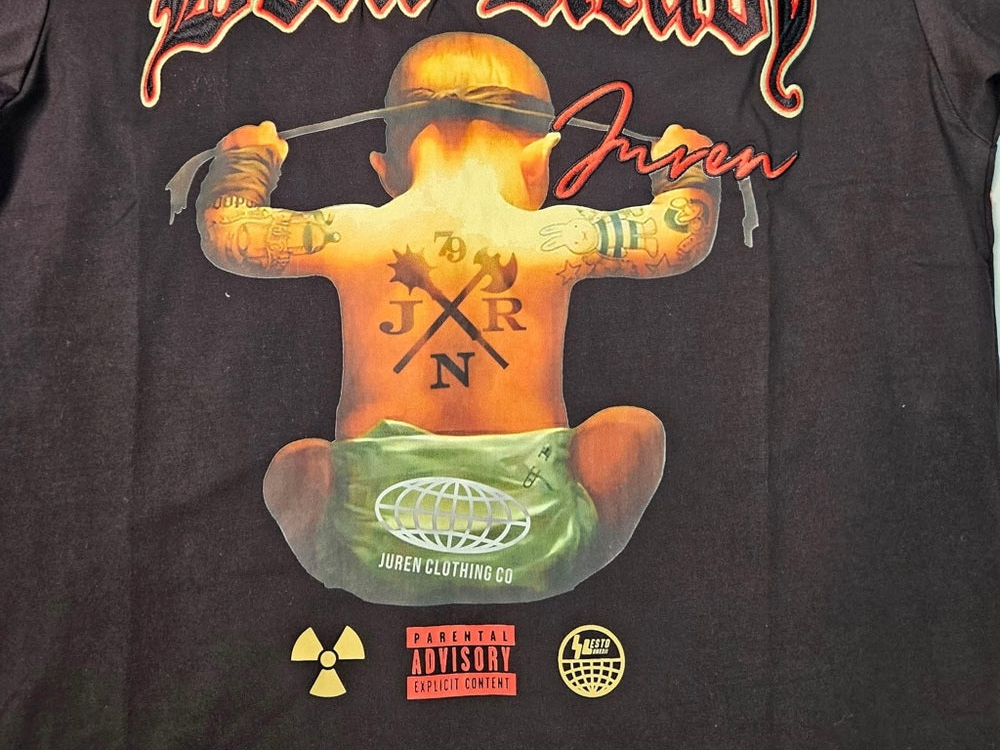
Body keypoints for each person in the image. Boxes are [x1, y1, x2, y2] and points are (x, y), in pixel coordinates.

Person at [196, 32, 720, 604]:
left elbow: (229, 232)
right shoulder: (558, 237)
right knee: (636, 430)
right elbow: (681, 235)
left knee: (297, 465)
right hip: (537, 551)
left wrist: (244, 164)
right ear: (539, 161)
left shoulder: (354, 234)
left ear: (383, 171)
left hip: (371, 550)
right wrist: (686, 171)